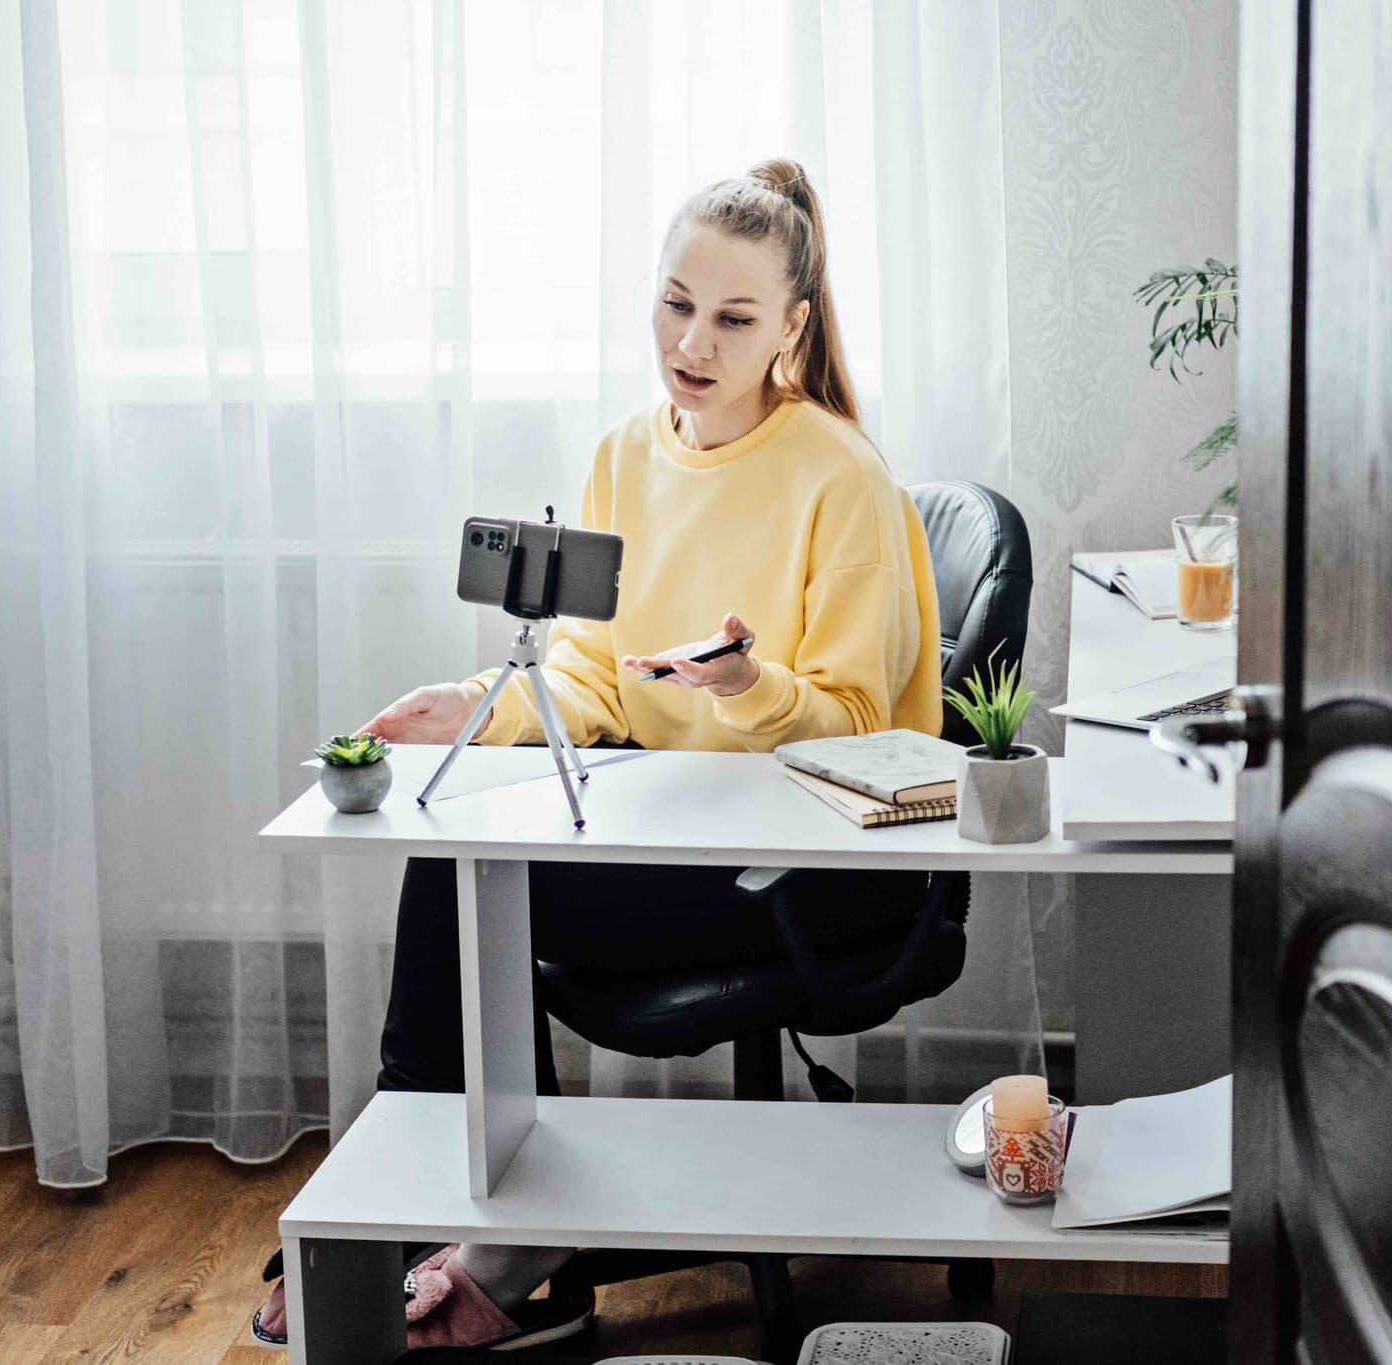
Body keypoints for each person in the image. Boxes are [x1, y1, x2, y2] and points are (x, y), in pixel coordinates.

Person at [252, 159, 944, 1353]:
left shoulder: (842, 479)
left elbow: (860, 730)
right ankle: (446, 1208)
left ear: (791, 327)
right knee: (452, 854)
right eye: (675, 304)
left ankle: (474, 1230)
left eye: (732, 318)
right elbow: (590, 673)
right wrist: (473, 701)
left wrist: (745, 687)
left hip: (810, 867)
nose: (694, 339)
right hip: (675, 836)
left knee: (469, 881)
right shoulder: (628, 453)